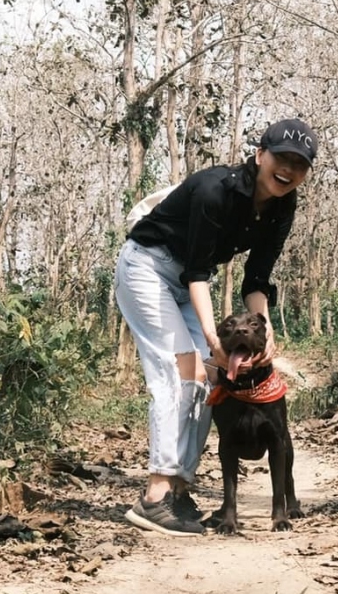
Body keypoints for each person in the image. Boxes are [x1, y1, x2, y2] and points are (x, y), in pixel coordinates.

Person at [114, 118, 318, 535]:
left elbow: (256, 279)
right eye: (281, 157)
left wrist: (267, 329)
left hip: (188, 280)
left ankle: (178, 489)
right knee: (178, 371)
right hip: (149, 268)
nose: (288, 169)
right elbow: (198, 271)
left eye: (299, 164)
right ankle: (154, 495)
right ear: (260, 155)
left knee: (208, 379)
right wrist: (212, 339)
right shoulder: (215, 190)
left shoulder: (283, 206)